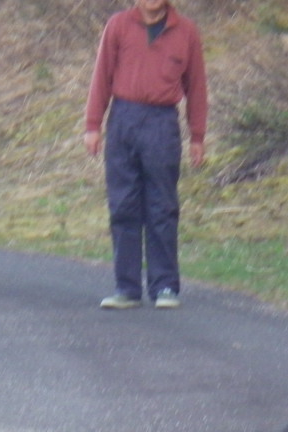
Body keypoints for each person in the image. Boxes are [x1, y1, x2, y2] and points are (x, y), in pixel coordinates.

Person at [84, 0, 208, 310]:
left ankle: (165, 286)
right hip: (123, 119)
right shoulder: (118, 26)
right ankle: (126, 288)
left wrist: (197, 135)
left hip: (162, 123)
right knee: (123, 205)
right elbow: (102, 76)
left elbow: (197, 86)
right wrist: (93, 124)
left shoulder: (187, 32)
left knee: (162, 206)